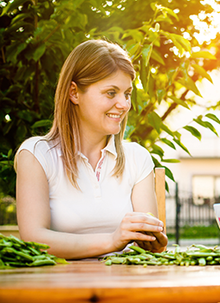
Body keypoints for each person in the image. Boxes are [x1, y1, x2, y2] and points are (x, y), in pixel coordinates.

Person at [14, 39, 168, 259]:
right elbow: (34, 240)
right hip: (59, 288)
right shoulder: (36, 155)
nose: (124, 105)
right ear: (74, 93)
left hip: (127, 285)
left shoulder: (138, 158)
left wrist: (154, 241)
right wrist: (112, 240)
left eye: (126, 93)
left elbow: (148, 244)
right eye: (111, 93)